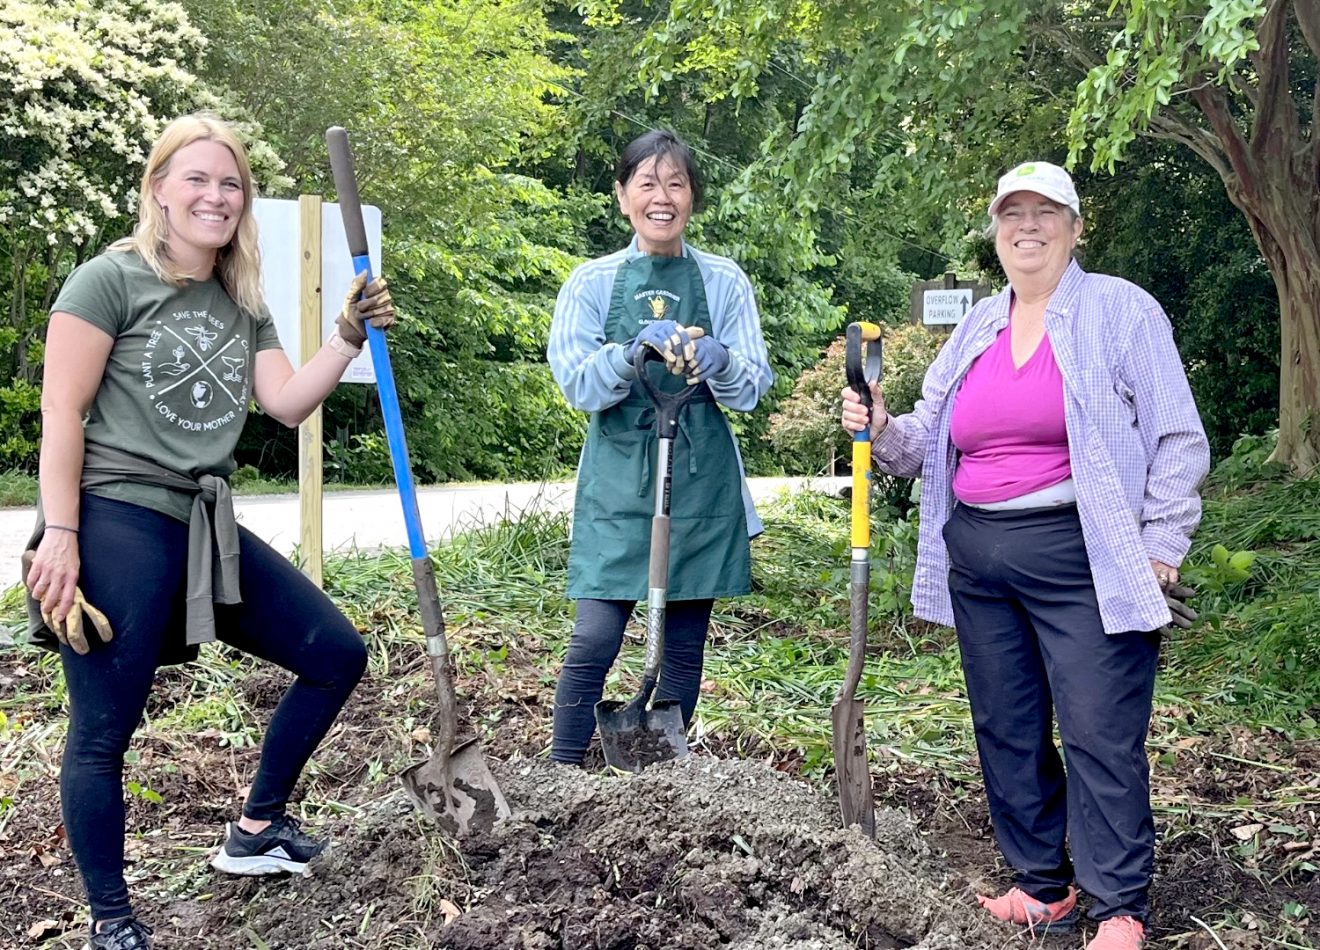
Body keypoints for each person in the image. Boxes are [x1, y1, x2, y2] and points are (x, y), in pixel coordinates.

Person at [22, 113, 396, 950]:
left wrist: (346, 337)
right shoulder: (107, 280)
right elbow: (62, 410)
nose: (215, 197)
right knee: (103, 731)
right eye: (196, 179)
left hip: (201, 523)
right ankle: (111, 919)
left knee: (335, 653)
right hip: (116, 515)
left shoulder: (242, 302)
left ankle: (256, 830)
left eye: (230, 184)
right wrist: (61, 534)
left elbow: (287, 403)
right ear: (159, 188)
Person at [840, 161, 1208, 950]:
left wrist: (1163, 546)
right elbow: (918, 443)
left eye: (1047, 213)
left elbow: (1179, 436)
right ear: (996, 232)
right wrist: (878, 420)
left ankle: (1117, 907)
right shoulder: (977, 326)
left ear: (1076, 229)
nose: (1028, 227)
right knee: (1005, 724)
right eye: (1014, 214)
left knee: (1098, 728)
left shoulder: (1121, 312)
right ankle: (1043, 887)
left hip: (1081, 551)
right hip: (979, 553)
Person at [546, 130, 773, 765]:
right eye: (646, 183)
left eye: (675, 184)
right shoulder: (592, 282)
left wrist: (718, 358)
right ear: (622, 196)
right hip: (619, 472)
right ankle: (562, 769)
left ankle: (656, 780)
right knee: (595, 634)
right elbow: (576, 382)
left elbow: (752, 385)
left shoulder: (724, 281)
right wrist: (630, 352)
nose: (662, 197)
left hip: (699, 472)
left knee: (683, 643)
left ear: (693, 197)